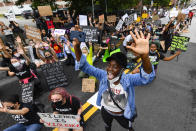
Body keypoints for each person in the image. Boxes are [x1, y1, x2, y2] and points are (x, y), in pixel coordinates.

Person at [73, 30, 155, 131]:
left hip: (122, 114)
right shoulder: (103, 75)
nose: (110, 69)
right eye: (109, 65)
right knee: (107, 126)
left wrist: (145, 56)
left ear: (122, 69)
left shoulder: (128, 79)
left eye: (115, 67)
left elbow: (147, 77)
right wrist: (77, 47)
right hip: (106, 111)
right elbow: (84, 66)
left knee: (129, 128)